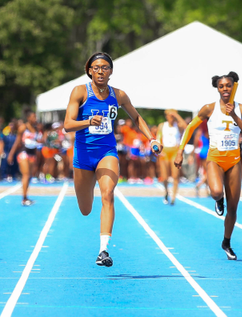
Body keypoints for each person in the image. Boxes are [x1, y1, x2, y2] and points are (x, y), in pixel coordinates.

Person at [64, 52, 162, 267]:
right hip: (83, 155)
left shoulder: (119, 95)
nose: (100, 71)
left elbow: (136, 118)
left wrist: (152, 139)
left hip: (107, 153)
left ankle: (103, 250)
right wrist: (88, 121)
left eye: (105, 67)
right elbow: (67, 124)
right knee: (85, 209)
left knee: (108, 194)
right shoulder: (80, 92)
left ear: (111, 71)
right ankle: (90, 205)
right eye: (96, 67)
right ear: (89, 70)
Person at [174, 71, 242, 260]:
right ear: (217, 88)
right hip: (215, 158)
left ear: (234, 86)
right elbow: (190, 127)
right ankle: (219, 200)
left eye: (228, 85)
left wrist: (234, 114)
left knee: (233, 210)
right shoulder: (209, 108)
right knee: (217, 192)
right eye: (221, 86)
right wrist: (180, 151)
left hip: (234, 160)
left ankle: (226, 242)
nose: (225, 89)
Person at [8, 111, 40, 206]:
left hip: (32, 154)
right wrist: (11, 154)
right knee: (25, 175)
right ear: (29, 118)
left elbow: (35, 143)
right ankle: (24, 198)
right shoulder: (23, 128)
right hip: (23, 153)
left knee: (29, 176)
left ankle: (26, 196)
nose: (36, 119)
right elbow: (17, 141)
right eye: (34, 117)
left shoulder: (35, 129)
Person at [157, 109, 186, 205]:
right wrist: (159, 150)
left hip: (174, 151)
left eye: (173, 116)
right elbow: (158, 137)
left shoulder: (177, 125)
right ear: (166, 116)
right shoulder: (162, 125)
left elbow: (186, 127)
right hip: (165, 151)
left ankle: (173, 196)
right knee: (164, 177)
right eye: (170, 116)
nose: (171, 118)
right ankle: (166, 191)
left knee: (175, 175)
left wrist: (177, 115)